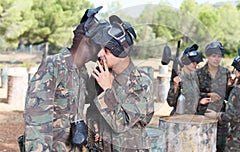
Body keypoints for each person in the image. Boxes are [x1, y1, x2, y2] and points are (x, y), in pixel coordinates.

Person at [22, 6, 109, 151]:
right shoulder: (54, 65)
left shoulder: (80, 71)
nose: (104, 49)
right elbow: (36, 122)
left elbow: (82, 100)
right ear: (88, 41)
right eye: (102, 44)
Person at [87, 15, 154, 152]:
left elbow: (121, 123)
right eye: (100, 49)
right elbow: (92, 109)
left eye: (106, 50)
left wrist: (107, 90)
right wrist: (95, 124)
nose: (100, 54)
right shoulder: (102, 74)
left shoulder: (141, 82)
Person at [205, 47, 240, 152]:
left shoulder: (238, 90)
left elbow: (231, 115)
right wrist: (229, 88)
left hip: (239, 137)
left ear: (239, 71)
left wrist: (216, 115)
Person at [196, 41, 232, 152]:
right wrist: (206, 95)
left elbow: (228, 95)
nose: (216, 59)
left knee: (221, 146)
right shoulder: (198, 73)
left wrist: (231, 87)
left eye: (219, 56)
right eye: (213, 56)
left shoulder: (225, 73)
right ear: (207, 56)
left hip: (220, 117)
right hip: (203, 115)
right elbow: (191, 94)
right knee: (202, 146)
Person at [166, 44, 212, 115]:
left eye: (196, 62)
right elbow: (171, 102)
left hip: (192, 117)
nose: (195, 64)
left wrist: (201, 101)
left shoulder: (194, 77)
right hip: (180, 119)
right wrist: (175, 86)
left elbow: (192, 96)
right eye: (193, 62)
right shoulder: (179, 78)